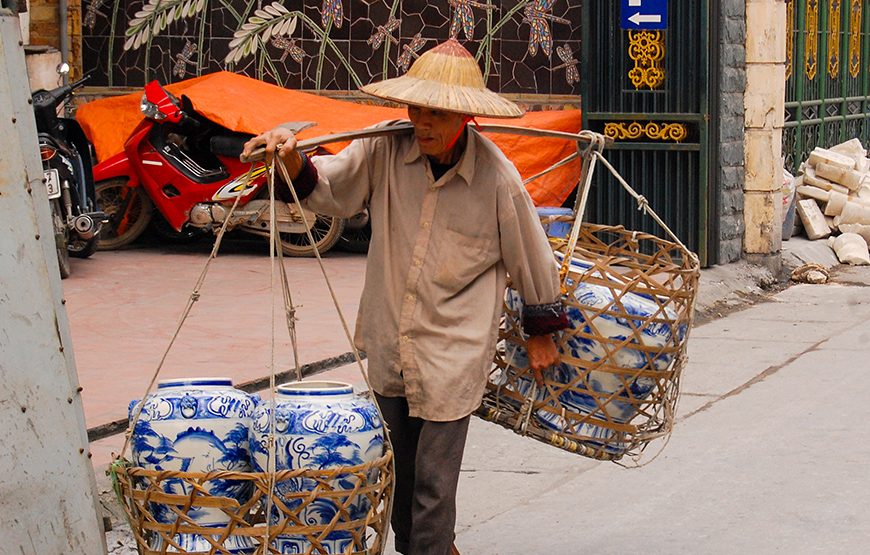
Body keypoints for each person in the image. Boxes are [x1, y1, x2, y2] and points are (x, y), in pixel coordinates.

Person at [242, 39, 568, 555]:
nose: (423, 123)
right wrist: (291, 162)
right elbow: (332, 190)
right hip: (390, 338)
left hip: (453, 351)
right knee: (396, 472)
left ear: (464, 116)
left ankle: (432, 549)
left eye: (436, 113)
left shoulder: (497, 178)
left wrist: (540, 332)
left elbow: (532, 257)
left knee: (434, 487)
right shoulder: (382, 147)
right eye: (417, 109)